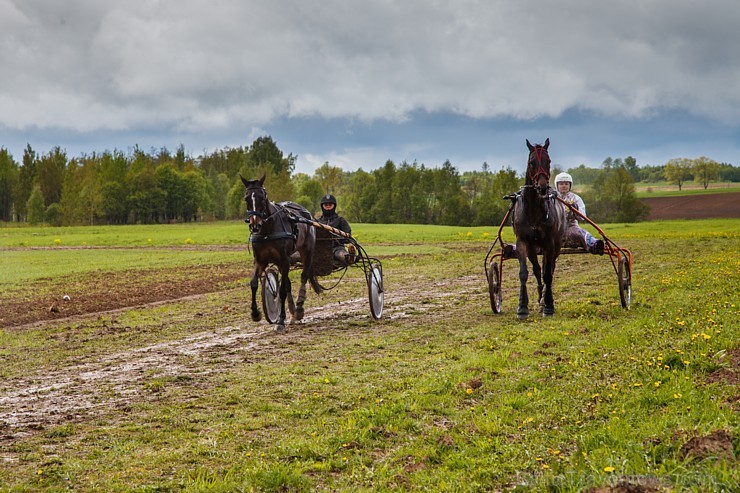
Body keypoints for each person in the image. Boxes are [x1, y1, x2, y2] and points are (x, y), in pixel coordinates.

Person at [503, 172, 603, 258]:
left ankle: (594, 244)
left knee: (582, 234)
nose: (564, 186)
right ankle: (514, 250)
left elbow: (582, 217)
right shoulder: (550, 197)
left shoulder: (576, 198)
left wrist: (575, 208)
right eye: (561, 184)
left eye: (566, 184)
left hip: (570, 228)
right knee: (535, 243)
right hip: (552, 231)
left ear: (570, 185)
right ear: (557, 185)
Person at [317, 194, 356, 265]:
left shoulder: (340, 220)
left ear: (334, 206)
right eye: (326, 204)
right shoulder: (317, 222)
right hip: (319, 250)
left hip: (337, 248)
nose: (328, 206)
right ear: (322, 206)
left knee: (341, 255)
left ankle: (350, 258)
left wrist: (338, 239)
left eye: (330, 204)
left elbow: (348, 237)